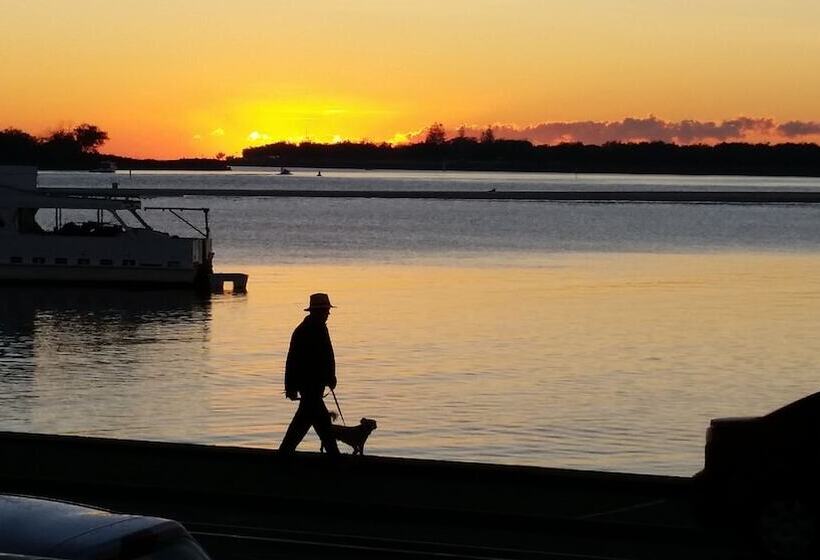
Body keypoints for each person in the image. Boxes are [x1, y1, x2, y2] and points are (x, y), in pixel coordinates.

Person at [278, 293, 340, 455]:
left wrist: (331, 376)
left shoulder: (318, 328)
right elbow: (292, 360)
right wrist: (290, 387)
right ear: (317, 312)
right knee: (318, 423)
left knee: (310, 421)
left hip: (315, 385)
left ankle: (283, 455)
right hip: (310, 385)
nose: (328, 314)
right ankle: (335, 458)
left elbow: (327, 356)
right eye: (326, 311)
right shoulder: (305, 331)